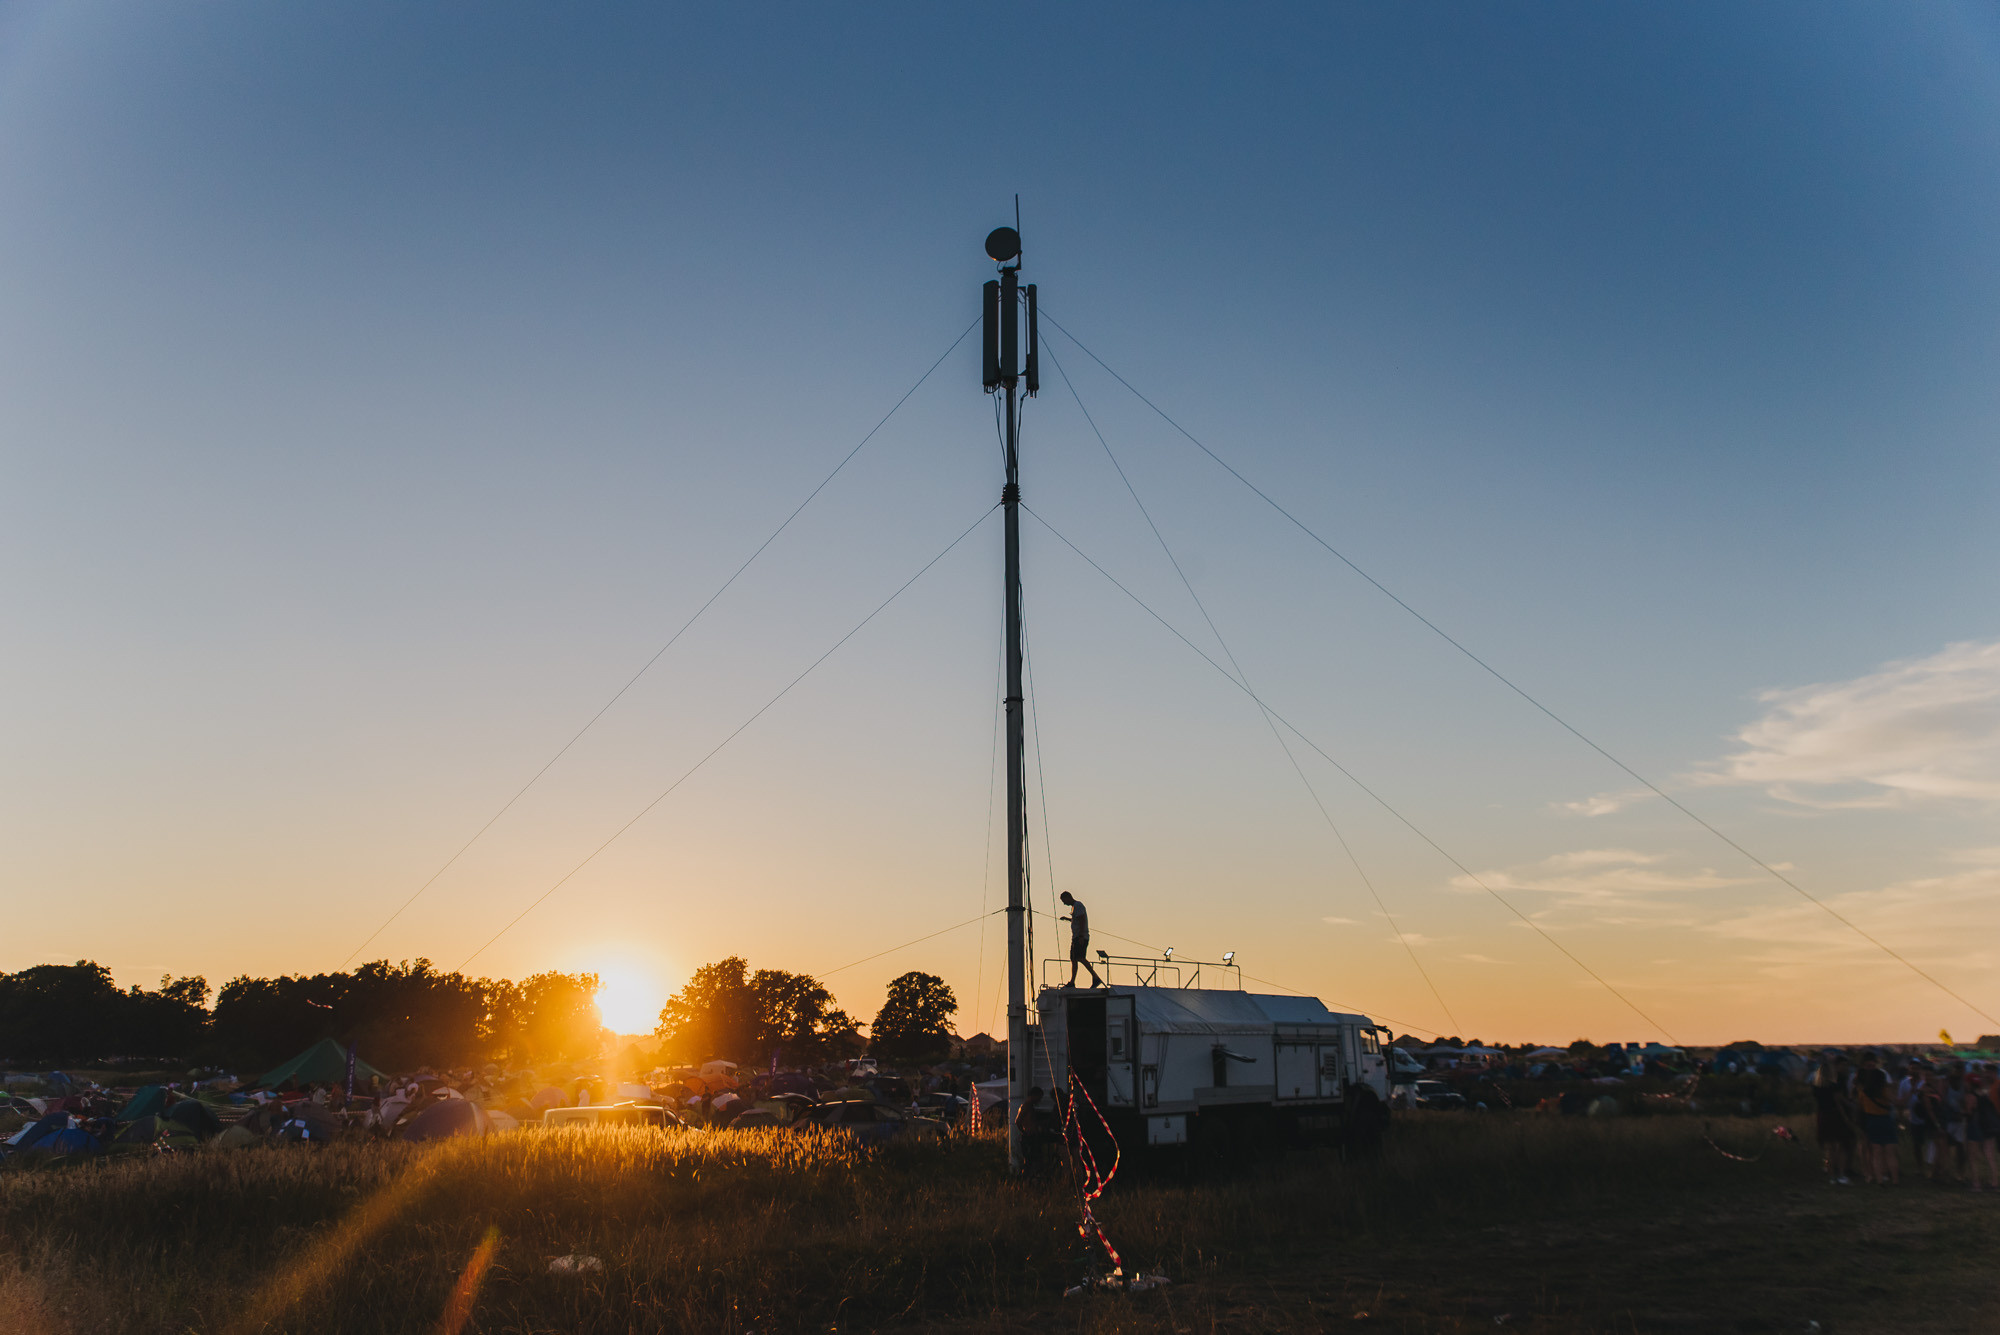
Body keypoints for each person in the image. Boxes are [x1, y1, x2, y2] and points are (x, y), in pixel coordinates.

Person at [1853, 1051, 1899, 1185]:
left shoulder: (1862, 1091)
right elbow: (1894, 1101)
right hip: (1885, 1119)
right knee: (1890, 1152)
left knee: (1875, 1152)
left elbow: (1860, 1106)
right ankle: (1894, 1179)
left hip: (1871, 1119)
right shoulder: (1884, 1089)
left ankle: (1878, 1179)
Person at [1811, 1055, 1855, 1185]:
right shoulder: (1833, 1086)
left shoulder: (1816, 1088)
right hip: (1835, 1116)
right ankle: (1841, 1174)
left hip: (1823, 1116)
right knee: (1840, 1147)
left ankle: (1831, 1176)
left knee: (1829, 1149)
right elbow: (1839, 1102)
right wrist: (1847, 1117)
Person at [1059, 891, 1104, 988]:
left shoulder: (1078, 905)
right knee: (1074, 959)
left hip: (1080, 937)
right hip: (1076, 937)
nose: (1064, 903)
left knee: (1080, 957)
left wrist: (1081, 936)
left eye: (1064, 900)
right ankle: (1072, 982)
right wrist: (1067, 919)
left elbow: (1082, 920)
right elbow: (1077, 920)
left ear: (1068, 897)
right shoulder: (1074, 907)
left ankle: (1095, 977)